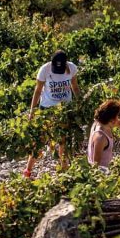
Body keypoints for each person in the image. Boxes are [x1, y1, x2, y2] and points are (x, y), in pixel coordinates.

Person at [23, 49, 81, 178]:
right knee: (40, 140)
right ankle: (27, 170)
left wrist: (80, 103)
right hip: (47, 109)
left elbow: (75, 87)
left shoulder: (71, 68)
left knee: (63, 140)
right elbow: (37, 91)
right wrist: (32, 110)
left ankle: (63, 169)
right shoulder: (45, 69)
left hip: (65, 109)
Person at [87, 99, 120, 172]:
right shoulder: (100, 137)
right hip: (102, 176)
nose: (118, 118)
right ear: (112, 121)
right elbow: (96, 165)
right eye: (117, 116)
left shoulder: (100, 123)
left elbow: (119, 122)